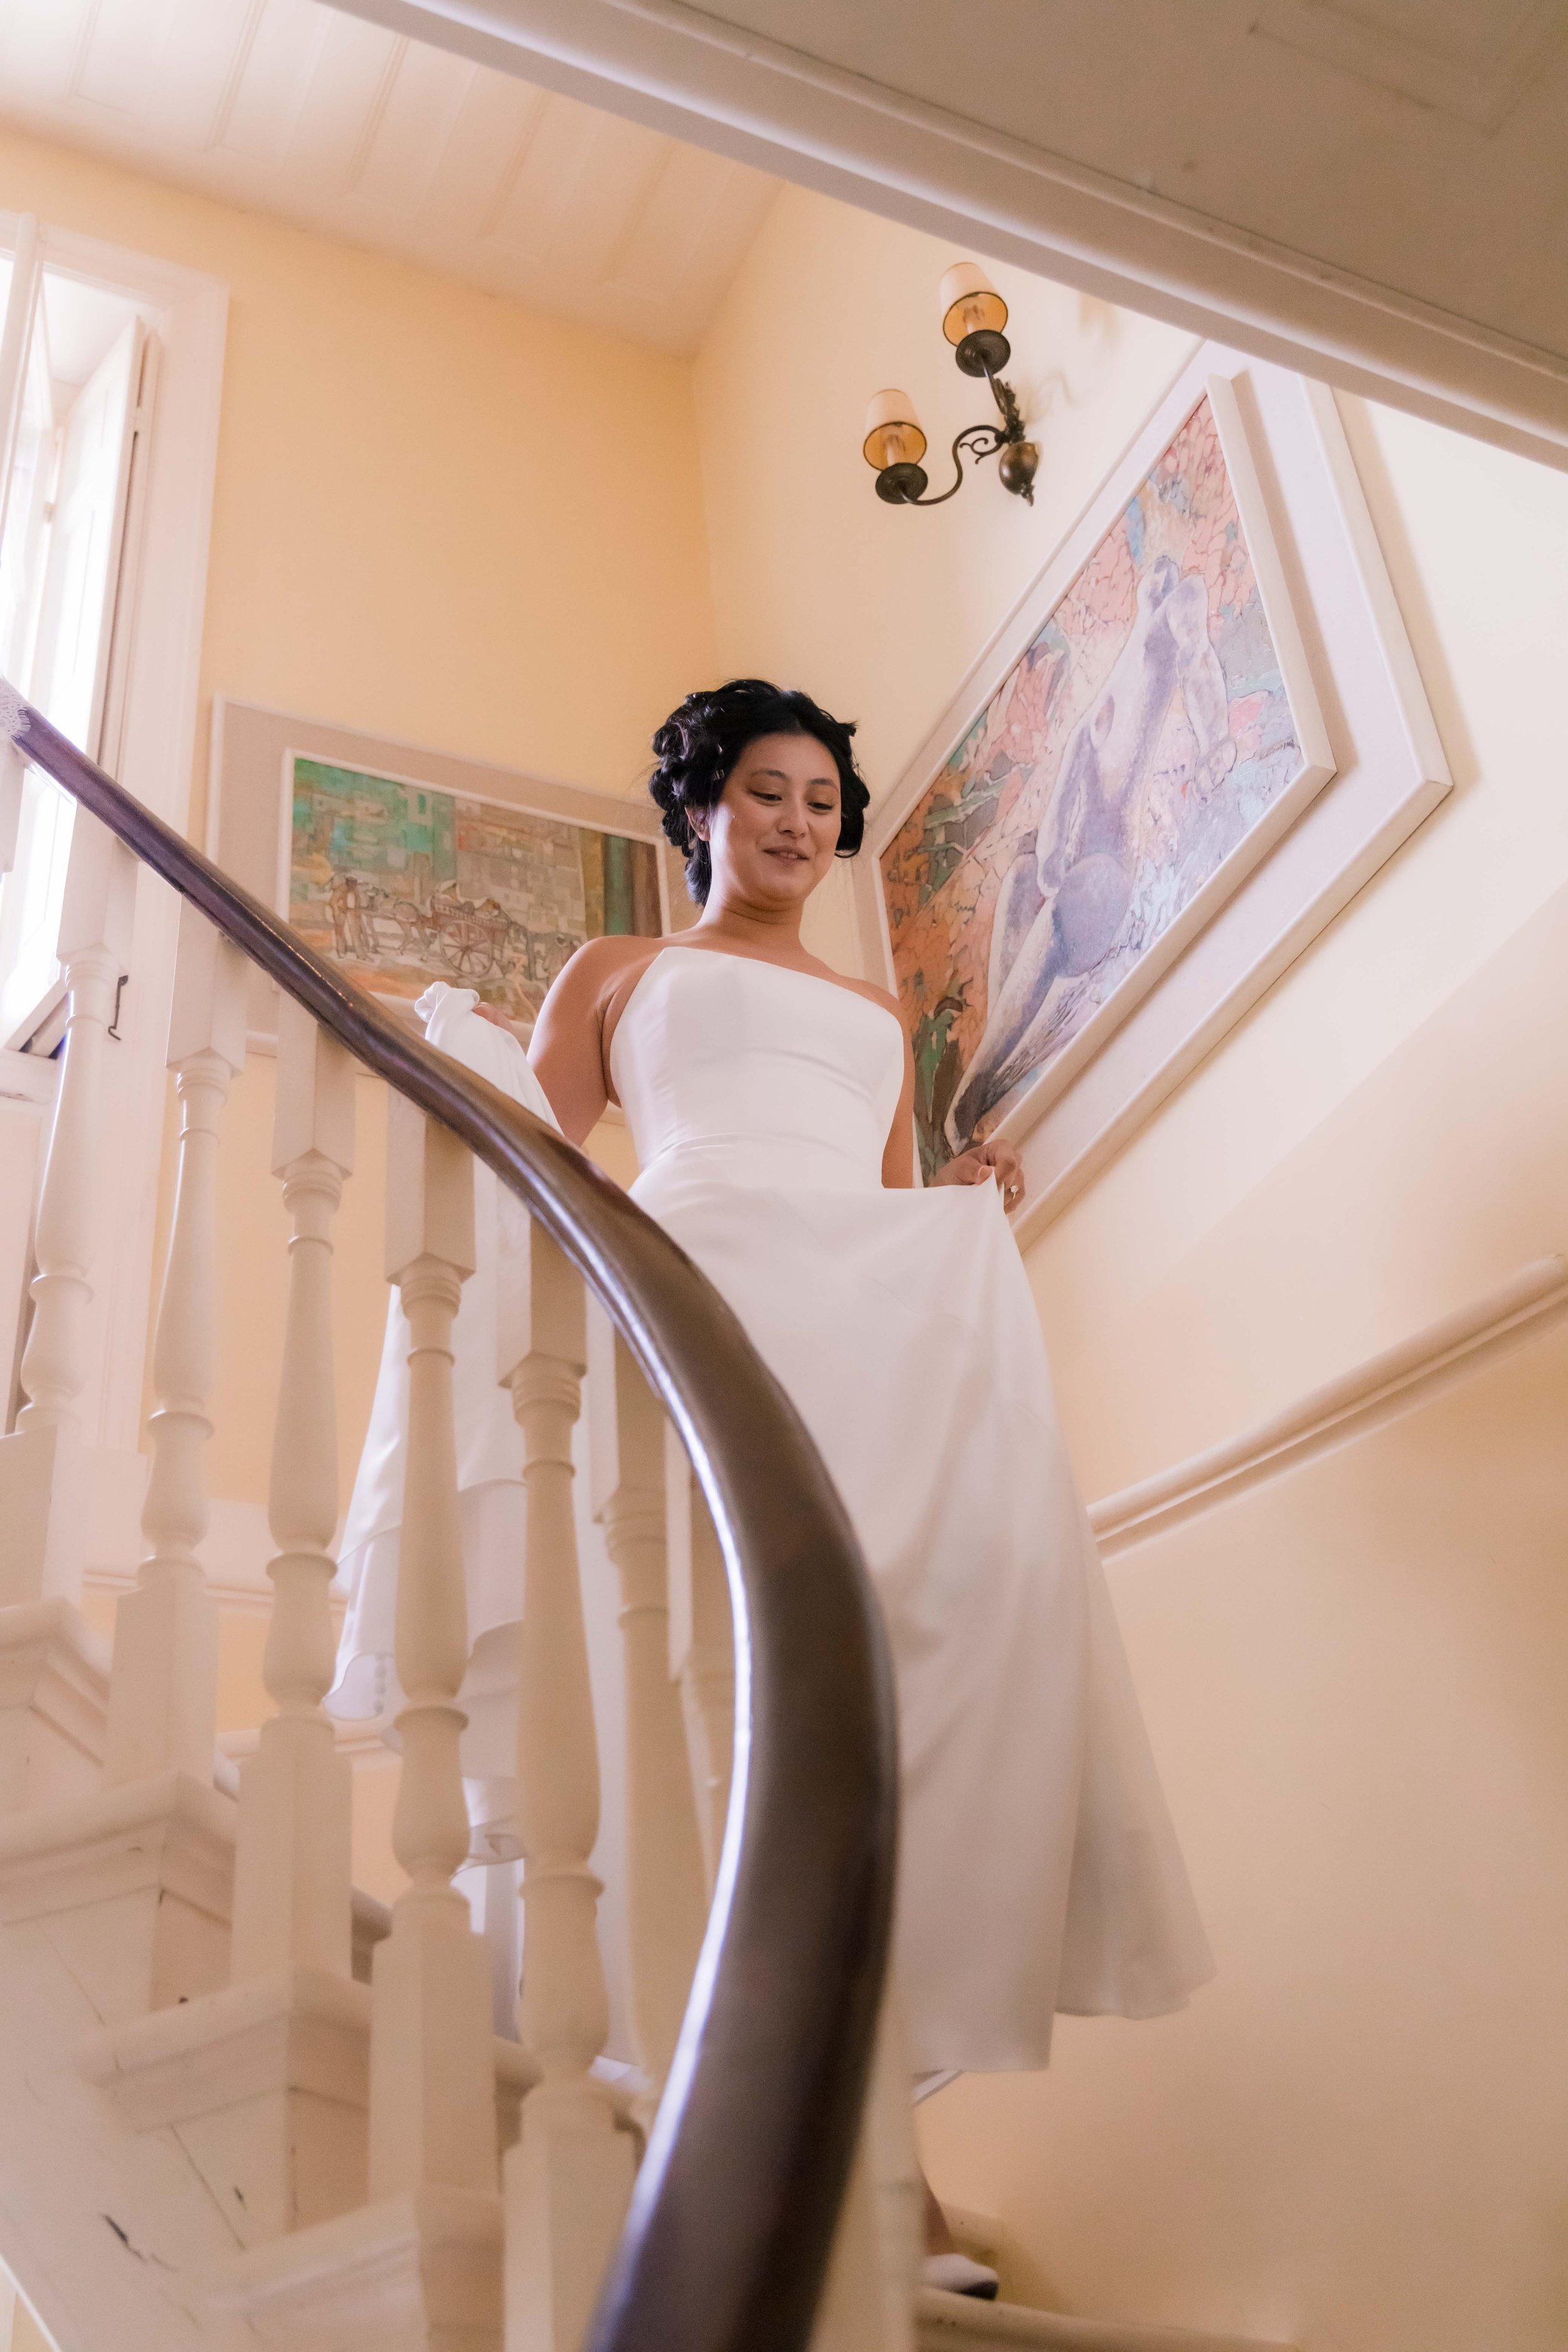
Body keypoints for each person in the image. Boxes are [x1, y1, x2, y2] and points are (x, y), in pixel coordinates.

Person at [332, 677, 1212, 2300]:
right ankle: (654, 2108)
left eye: (819, 800)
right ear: (699, 809)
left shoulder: (876, 1019)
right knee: (678, 1703)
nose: (797, 823)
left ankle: (893, 2186)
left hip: (850, 1335)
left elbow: (874, 1212)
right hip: (689, 1303)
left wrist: (944, 1194)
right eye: (764, 793)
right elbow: (556, 1160)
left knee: (865, 1718)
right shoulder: (618, 972)